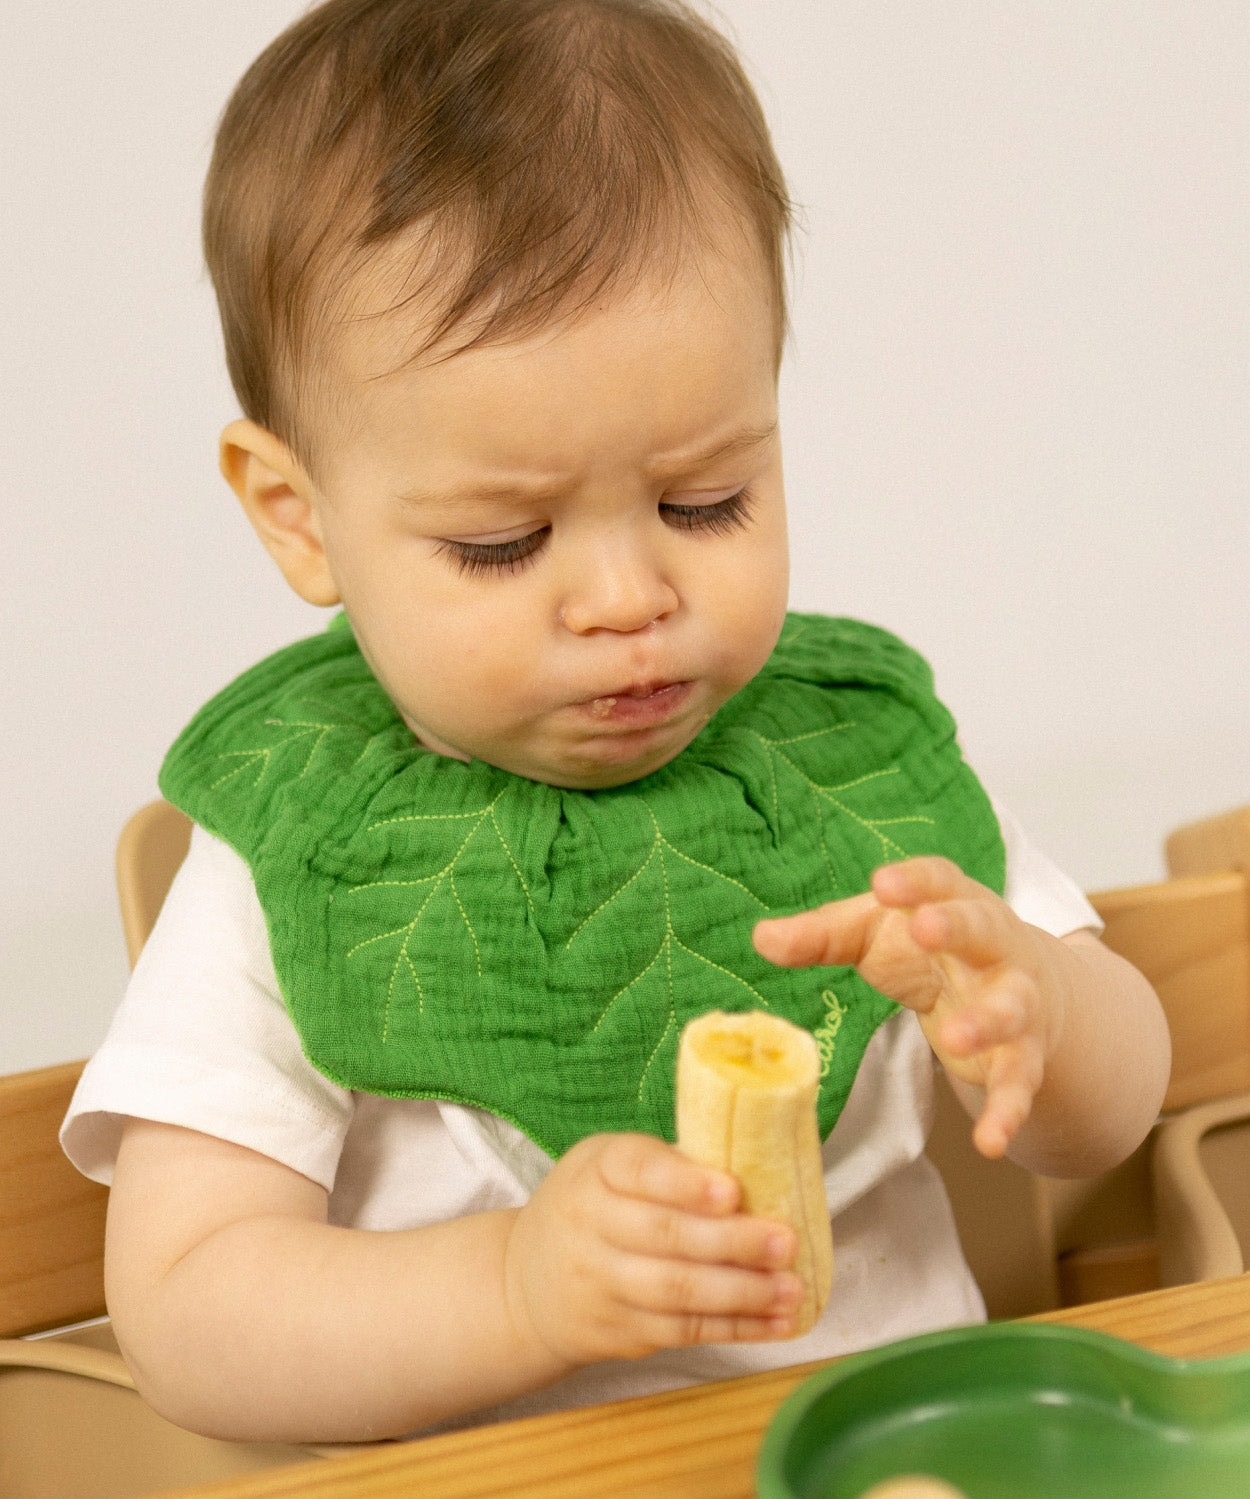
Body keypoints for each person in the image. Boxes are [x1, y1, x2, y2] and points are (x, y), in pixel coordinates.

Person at [62, 0, 1170, 1444]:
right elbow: (190, 1313)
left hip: (883, 1450)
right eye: (503, 542)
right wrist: (512, 1292)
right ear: (299, 515)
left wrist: (1041, 1011)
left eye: (703, 502)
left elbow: (1107, 1117)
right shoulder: (302, 845)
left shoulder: (844, 762)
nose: (625, 596)